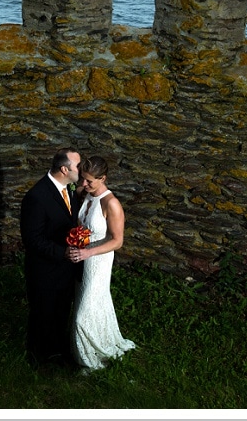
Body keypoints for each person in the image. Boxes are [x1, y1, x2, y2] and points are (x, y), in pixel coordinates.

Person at [67, 155, 136, 371]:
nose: (83, 185)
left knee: (82, 315)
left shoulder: (111, 204)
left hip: (98, 262)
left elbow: (117, 241)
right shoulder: (84, 194)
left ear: (103, 178)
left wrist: (89, 253)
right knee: (88, 302)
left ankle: (90, 362)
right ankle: (93, 344)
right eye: (83, 179)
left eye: (89, 181)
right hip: (82, 258)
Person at [20, 147, 83, 367]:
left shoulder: (70, 189)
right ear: (65, 169)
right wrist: (62, 252)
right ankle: (38, 359)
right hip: (44, 269)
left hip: (65, 268)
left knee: (61, 311)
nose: (82, 170)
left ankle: (58, 351)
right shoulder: (37, 197)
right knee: (43, 313)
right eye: (78, 166)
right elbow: (32, 239)